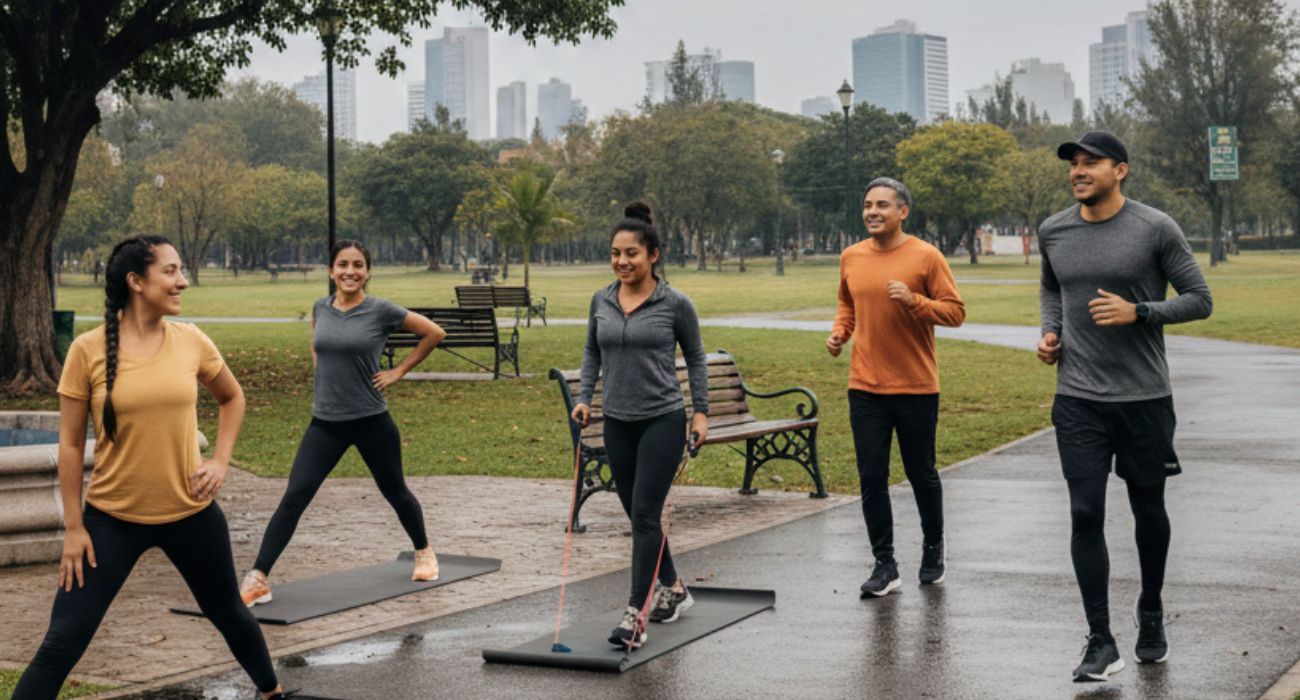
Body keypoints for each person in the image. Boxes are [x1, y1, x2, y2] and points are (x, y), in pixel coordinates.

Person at [15, 236, 285, 700]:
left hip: (191, 515)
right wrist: (75, 528)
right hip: (111, 522)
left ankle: (273, 693)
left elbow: (232, 397)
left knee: (230, 614)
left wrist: (220, 460)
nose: (182, 281)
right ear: (136, 282)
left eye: (181, 271)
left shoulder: (191, 340)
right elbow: (70, 442)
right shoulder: (87, 350)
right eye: (171, 271)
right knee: (63, 641)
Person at [1038, 131, 1212, 682]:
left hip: (1143, 399)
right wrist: (1051, 331)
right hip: (1078, 399)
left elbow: (1200, 300)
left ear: (1122, 171)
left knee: (1148, 513)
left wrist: (1140, 312)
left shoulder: (1155, 228)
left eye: (1092, 163)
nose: (1079, 171)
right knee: (1085, 513)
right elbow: (1052, 288)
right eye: (1075, 164)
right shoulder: (1054, 231)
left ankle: (1152, 611)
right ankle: (1100, 639)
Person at [239, 240, 446, 607]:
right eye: (342, 265)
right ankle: (258, 577)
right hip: (326, 423)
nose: (350, 271)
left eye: (358, 265)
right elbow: (317, 345)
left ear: (367, 271)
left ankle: (424, 551)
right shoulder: (320, 307)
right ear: (330, 271)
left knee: (395, 491)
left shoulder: (380, 309)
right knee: (295, 496)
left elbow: (434, 333)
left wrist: (398, 372)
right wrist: (324, 378)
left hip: (371, 420)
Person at [571, 202, 709, 650]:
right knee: (636, 511)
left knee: (645, 515)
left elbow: (696, 356)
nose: (622, 261)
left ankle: (636, 612)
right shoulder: (602, 299)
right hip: (618, 421)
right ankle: (675, 587)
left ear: (653, 255)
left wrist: (702, 412)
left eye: (631, 253)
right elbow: (592, 351)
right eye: (615, 253)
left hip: (662, 420)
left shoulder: (674, 303)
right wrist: (584, 398)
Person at [827, 177, 965, 598]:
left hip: (916, 385)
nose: (873, 211)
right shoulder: (851, 256)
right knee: (872, 477)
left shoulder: (926, 257)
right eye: (868, 204)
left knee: (921, 473)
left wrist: (915, 302)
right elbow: (847, 302)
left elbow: (956, 312)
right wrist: (840, 332)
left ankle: (933, 548)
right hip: (865, 385)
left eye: (883, 205)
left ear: (903, 211)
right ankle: (884, 564)